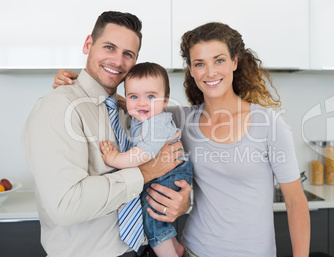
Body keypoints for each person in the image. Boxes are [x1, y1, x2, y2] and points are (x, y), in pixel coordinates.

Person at [53, 22, 310, 257]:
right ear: (191, 69)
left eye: (218, 60)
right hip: (192, 250)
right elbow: (134, 103)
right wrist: (77, 84)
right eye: (199, 63)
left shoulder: (269, 124)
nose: (209, 72)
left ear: (234, 61)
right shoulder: (179, 119)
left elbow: (296, 202)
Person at [21, 11, 191, 257]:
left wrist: (180, 203)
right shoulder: (57, 108)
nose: (117, 61)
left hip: (143, 249)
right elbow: (65, 206)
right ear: (88, 44)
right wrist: (145, 173)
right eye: (109, 47)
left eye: (128, 54)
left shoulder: (132, 110)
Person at [100, 62, 193, 257]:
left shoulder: (156, 123)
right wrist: (124, 103)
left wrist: (116, 159)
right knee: (154, 213)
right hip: (166, 171)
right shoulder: (144, 115)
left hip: (172, 171)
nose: (142, 103)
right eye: (134, 96)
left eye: (151, 97)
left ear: (165, 100)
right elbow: (134, 109)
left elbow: (143, 154)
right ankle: (175, 247)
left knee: (154, 218)